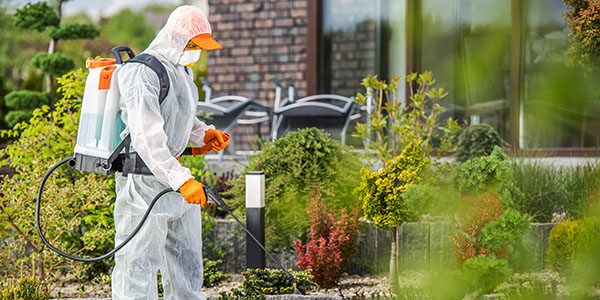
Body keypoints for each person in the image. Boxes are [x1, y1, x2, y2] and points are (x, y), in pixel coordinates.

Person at [112, 5, 228, 300]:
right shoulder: (141, 73)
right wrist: (181, 180)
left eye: (199, 46)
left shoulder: (182, 71)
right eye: (193, 44)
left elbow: (181, 116)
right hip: (143, 181)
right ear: (176, 37)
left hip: (173, 176)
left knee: (186, 257)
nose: (195, 51)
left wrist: (204, 134)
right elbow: (147, 137)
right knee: (138, 260)